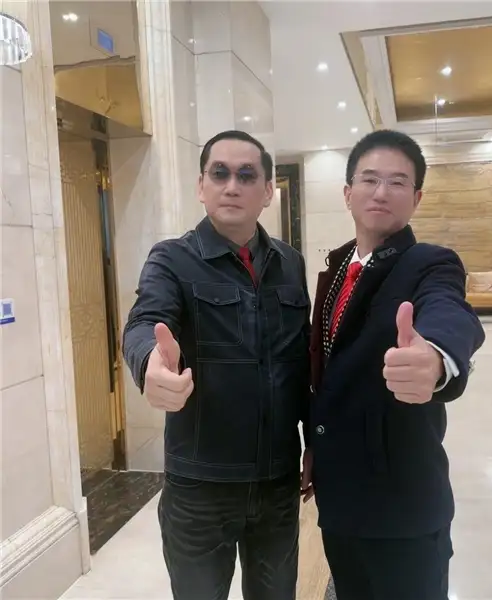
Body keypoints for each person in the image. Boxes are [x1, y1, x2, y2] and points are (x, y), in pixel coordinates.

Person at [122, 130, 311, 600]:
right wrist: (149, 365)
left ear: (267, 191)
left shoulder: (290, 263)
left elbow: (301, 365)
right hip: (201, 489)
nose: (232, 186)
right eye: (219, 173)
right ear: (201, 186)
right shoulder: (172, 259)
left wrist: (317, 442)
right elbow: (145, 322)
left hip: (277, 483)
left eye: (247, 175)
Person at [305, 130, 485, 600]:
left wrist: (436, 357)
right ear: (348, 193)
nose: (381, 192)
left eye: (398, 182)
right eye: (369, 179)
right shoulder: (339, 267)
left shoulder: (429, 263)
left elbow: (449, 311)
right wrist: (314, 447)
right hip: (339, 501)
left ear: (416, 197)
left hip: (402, 510)